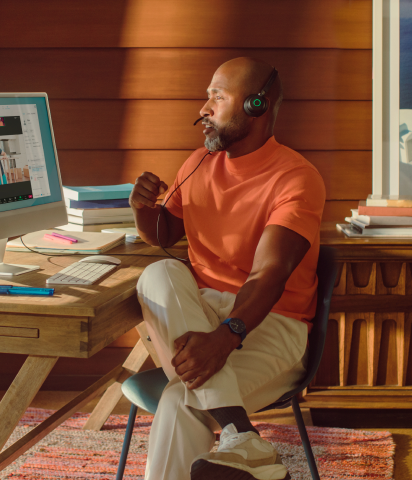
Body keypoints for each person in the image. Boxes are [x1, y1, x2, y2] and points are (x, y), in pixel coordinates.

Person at [129, 57, 326, 480]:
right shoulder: (198, 163)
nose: (204, 109)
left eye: (217, 97)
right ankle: (242, 436)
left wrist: (225, 337)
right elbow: (165, 234)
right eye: (207, 97)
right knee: (158, 274)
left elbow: (268, 275)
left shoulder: (296, 177)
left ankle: (241, 435)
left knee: (181, 400)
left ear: (258, 104)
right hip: (199, 317)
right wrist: (142, 209)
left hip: (271, 325)